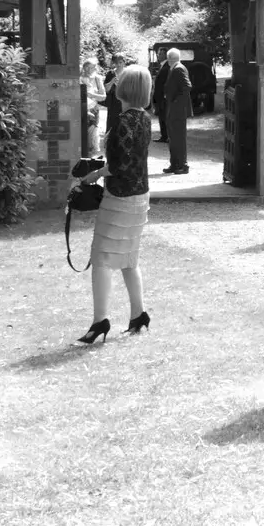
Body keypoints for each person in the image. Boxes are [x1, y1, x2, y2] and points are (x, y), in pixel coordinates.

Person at [77, 64, 155, 344]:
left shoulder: (123, 121)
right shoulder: (145, 118)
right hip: (140, 196)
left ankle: (100, 321)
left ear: (124, 88)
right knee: (129, 259)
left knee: (101, 259)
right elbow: (131, 158)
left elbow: (120, 165)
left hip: (120, 197)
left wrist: (95, 174)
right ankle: (138, 314)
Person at [162, 47, 192, 175]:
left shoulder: (178, 69)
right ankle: (174, 164)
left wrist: (175, 104)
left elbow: (187, 87)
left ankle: (182, 165)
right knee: (173, 138)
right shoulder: (176, 67)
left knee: (178, 138)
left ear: (169, 58)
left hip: (178, 110)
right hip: (174, 109)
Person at [79, 58, 106, 157]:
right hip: (80, 109)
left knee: (92, 135)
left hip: (93, 110)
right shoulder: (79, 78)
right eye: (89, 67)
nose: (92, 69)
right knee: (81, 134)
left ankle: (90, 157)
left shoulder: (97, 79)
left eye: (94, 67)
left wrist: (90, 94)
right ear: (84, 68)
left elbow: (103, 97)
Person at [102, 53, 129, 137]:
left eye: (120, 62)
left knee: (125, 121)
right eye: (116, 63)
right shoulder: (110, 73)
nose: (119, 65)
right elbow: (106, 89)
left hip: (125, 101)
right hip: (113, 102)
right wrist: (112, 82)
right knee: (112, 122)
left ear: (124, 62)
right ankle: (110, 140)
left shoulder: (128, 73)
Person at [152, 51, 170, 142]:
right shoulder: (162, 65)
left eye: (160, 54)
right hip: (159, 96)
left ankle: (167, 136)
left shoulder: (167, 66)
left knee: (164, 116)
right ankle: (164, 136)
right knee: (161, 116)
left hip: (163, 96)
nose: (158, 55)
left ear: (165, 55)